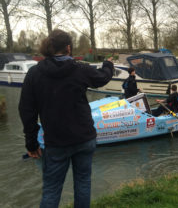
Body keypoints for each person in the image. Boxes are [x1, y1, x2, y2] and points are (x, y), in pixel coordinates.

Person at [18, 29, 114, 208]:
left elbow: (26, 111)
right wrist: (108, 65)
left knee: (52, 189)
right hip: (84, 138)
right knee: (83, 183)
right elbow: (102, 77)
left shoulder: (34, 74)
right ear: (68, 48)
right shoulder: (80, 70)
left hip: (56, 142)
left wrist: (31, 143)